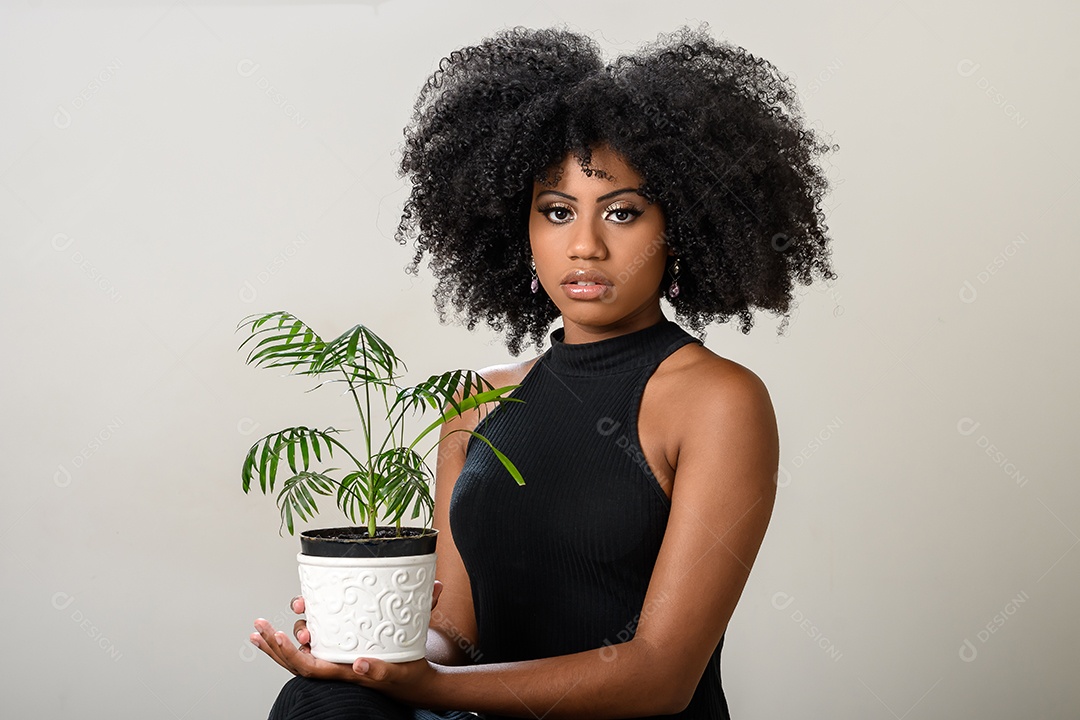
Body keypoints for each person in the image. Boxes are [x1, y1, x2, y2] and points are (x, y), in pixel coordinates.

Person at [249, 22, 837, 719]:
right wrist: (375, 655)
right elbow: (457, 635)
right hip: (478, 713)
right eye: (556, 211)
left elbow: (660, 675)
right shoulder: (473, 402)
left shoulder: (717, 401)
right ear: (518, 228)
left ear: (678, 228)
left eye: (622, 213)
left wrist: (430, 689)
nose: (584, 245)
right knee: (322, 699)